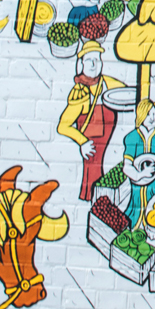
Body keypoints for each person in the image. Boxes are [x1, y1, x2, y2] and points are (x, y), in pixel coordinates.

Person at [57, 40, 126, 202]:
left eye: (98, 59)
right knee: (93, 167)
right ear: (81, 63)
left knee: (98, 166)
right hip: (91, 140)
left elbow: (127, 92)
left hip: (106, 137)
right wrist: (82, 142)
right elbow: (63, 126)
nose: (94, 63)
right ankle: (91, 197)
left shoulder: (106, 83)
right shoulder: (80, 93)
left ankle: (95, 197)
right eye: (89, 60)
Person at [121, 95, 155, 228]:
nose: (152, 118)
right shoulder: (132, 138)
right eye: (148, 114)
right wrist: (141, 174)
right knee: (133, 218)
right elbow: (127, 166)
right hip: (136, 192)